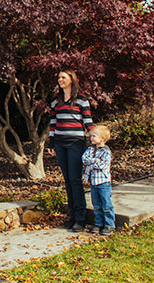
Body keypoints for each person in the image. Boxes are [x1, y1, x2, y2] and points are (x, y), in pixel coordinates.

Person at [48, 70, 93, 232]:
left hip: (76, 144)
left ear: (72, 80)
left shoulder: (81, 99)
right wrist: (51, 143)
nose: (60, 80)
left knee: (75, 180)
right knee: (67, 180)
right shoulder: (55, 100)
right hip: (60, 144)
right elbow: (53, 122)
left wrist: (96, 138)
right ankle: (72, 215)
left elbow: (87, 121)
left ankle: (80, 219)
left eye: (63, 77)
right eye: (58, 77)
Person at [82, 125, 115, 235]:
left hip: (103, 183)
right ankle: (98, 223)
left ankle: (109, 224)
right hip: (93, 182)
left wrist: (92, 163)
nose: (91, 138)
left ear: (102, 138)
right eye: (91, 136)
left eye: (94, 136)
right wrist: (94, 160)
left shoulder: (106, 151)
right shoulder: (90, 149)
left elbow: (102, 164)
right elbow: (84, 159)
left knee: (106, 204)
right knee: (96, 205)